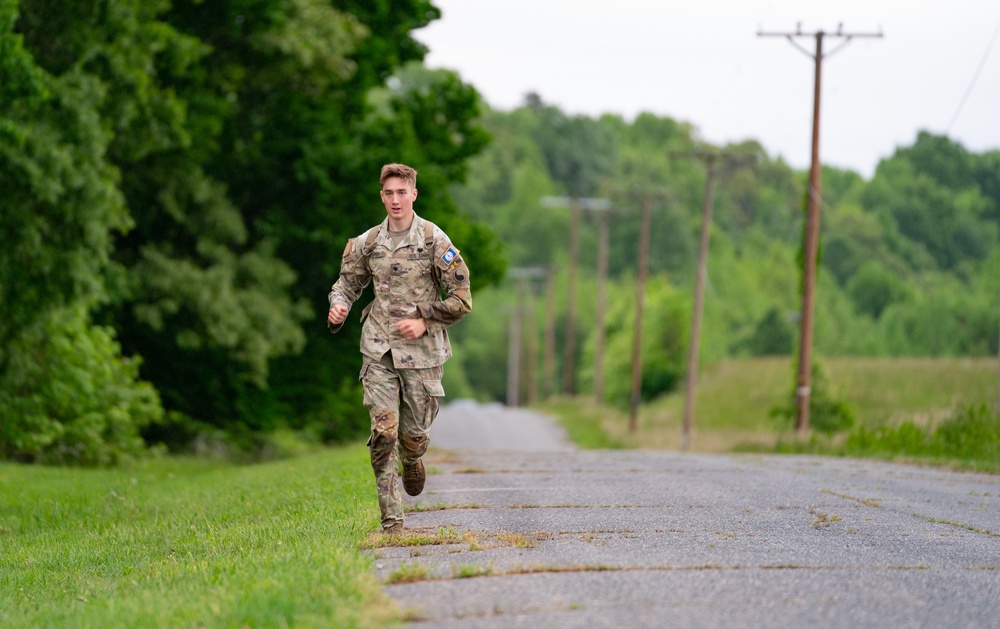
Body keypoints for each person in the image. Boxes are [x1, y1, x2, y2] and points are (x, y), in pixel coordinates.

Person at [327, 163, 472, 534]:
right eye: (389, 193)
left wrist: (424, 318)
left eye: (401, 192)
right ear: (382, 196)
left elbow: (461, 299)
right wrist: (338, 307)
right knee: (384, 432)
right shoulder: (369, 242)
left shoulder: (433, 240)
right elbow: (346, 283)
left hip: (421, 354)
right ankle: (392, 520)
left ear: (413, 194)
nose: (395, 200)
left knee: (412, 436)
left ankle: (414, 456)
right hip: (378, 349)